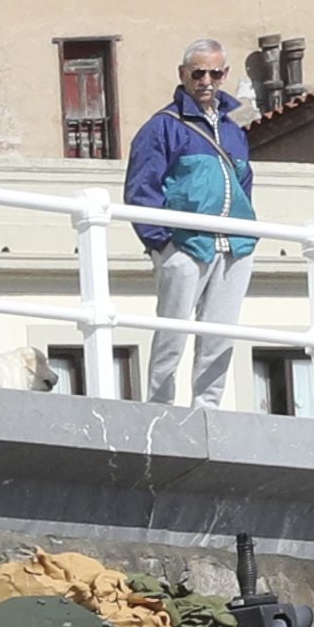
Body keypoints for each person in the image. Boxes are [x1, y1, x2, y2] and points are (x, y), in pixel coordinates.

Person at [124, 36, 259, 408]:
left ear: (225, 75)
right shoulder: (162, 127)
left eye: (214, 72)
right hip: (184, 244)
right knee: (173, 332)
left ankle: (207, 410)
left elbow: (243, 185)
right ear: (183, 74)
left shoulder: (234, 131)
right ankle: (160, 407)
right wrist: (162, 243)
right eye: (198, 72)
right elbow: (141, 188)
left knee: (220, 335)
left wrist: (246, 226)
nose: (206, 80)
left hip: (234, 245)